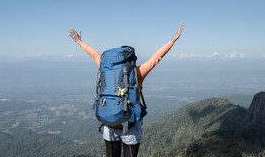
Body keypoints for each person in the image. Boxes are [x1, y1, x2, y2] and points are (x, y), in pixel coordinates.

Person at [69, 23, 183, 157]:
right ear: (131, 60)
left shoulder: (106, 66)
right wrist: (173, 40)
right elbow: (157, 57)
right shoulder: (137, 72)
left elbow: (93, 53)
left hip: (108, 122)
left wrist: (79, 41)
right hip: (130, 124)